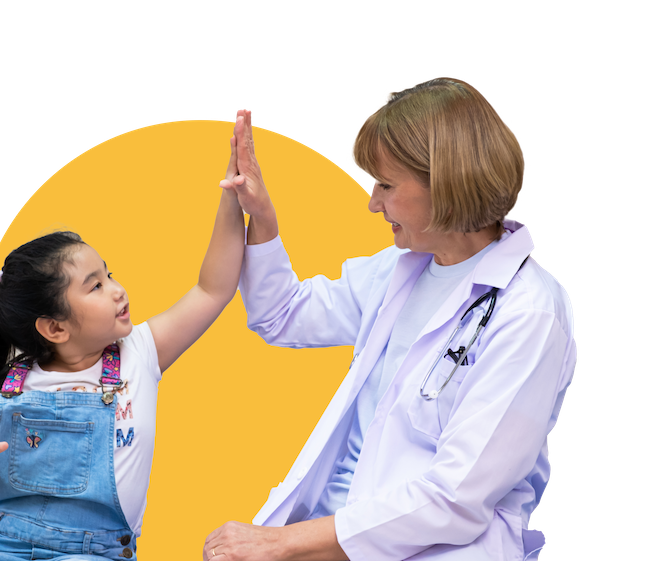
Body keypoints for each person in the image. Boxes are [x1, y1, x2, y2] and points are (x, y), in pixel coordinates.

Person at [204, 82, 577, 560]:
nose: (373, 204)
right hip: (333, 527)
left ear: (445, 182)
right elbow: (282, 315)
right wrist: (263, 218)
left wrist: (279, 544)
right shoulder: (400, 268)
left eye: (385, 185)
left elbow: (455, 499)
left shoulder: (529, 314)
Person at [0, 114, 249, 560]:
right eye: (95, 285)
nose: (117, 290)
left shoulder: (141, 352)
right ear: (55, 328)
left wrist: (232, 196)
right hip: (2, 544)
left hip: (93, 552)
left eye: (109, 275)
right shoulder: (11, 390)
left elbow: (213, 288)